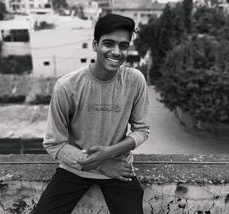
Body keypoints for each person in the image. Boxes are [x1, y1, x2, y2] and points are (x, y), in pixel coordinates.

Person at [33, 14, 150, 214]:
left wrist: (110, 153)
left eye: (123, 45)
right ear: (95, 45)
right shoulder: (67, 86)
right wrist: (101, 163)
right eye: (108, 43)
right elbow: (54, 143)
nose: (116, 51)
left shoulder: (135, 80)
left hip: (119, 169)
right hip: (74, 167)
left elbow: (142, 130)